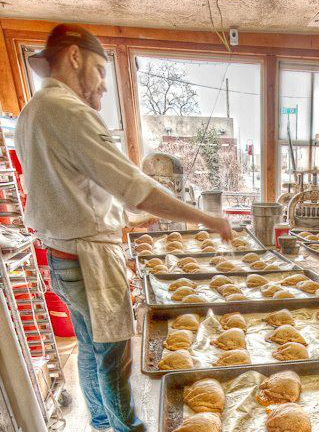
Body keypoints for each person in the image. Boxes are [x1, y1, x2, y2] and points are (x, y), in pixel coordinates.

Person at [15, 24, 232, 432]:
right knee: (115, 354)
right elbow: (136, 187)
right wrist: (206, 218)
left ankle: (99, 421)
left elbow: (74, 193)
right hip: (90, 260)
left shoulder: (34, 111)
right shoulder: (68, 111)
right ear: (75, 56)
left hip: (62, 254)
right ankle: (127, 428)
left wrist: (129, 220)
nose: (102, 86)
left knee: (89, 347)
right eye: (99, 70)